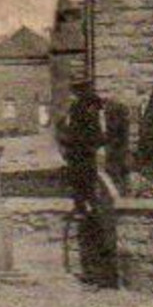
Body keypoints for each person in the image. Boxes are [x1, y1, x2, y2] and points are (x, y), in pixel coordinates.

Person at [57, 82, 103, 215]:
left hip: (81, 149)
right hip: (84, 149)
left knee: (82, 177)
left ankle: (85, 205)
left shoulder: (81, 106)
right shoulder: (87, 105)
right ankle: (88, 205)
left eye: (76, 91)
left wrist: (67, 140)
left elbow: (78, 129)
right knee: (85, 176)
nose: (74, 94)